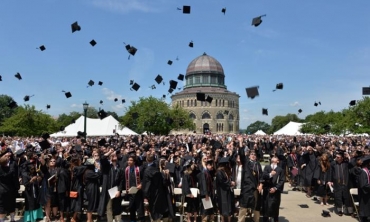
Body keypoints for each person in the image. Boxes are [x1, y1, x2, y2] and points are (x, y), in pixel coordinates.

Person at [97, 149, 124, 222]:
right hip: (108, 190)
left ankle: (118, 220)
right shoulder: (107, 166)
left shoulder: (120, 167)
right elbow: (102, 158)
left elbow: (121, 180)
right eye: (112, 156)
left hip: (116, 190)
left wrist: (119, 190)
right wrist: (109, 152)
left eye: (115, 155)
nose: (113, 156)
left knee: (117, 207)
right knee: (109, 207)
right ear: (110, 158)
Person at [327, 151, 353, 216]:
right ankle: (339, 211)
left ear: (342, 158)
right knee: (338, 197)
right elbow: (330, 172)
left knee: (347, 197)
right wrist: (330, 181)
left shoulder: (346, 163)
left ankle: (349, 210)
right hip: (337, 184)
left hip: (345, 183)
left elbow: (353, 165)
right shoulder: (333, 164)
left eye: (338, 157)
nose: (337, 158)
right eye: (336, 157)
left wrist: (349, 157)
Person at [143, 155, 168, 222]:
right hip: (159, 193)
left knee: (153, 211)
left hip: (152, 194)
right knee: (158, 211)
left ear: (146, 160)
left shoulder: (147, 171)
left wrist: (145, 196)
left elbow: (147, 184)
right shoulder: (158, 170)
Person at [261, 157, 285, 222]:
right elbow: (263, 176)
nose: (274, 161)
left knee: (275, 207)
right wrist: (270, 174)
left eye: (276, 160)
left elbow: (282, 180)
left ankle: (275, 220)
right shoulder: (267, 167)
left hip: (275, 192)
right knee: (266, 207)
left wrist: (275, 188)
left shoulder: (280, 170)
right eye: (273, 160)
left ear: (278, 161)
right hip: (267, 190)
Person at [0, 149, 19, 222]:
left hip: (1, 190)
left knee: (1, 206)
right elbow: (15, 179)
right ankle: (12, 219)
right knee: (11, 204)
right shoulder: (11, 171)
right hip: (10, 189)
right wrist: (17, 187)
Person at [125, 154, 145, 222]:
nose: (129, 161)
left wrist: (141, 184)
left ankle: (141, 220)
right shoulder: (126, 170)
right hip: (130, 192)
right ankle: (132, 220)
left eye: (131, 160)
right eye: (128, 160)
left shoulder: (139, 169)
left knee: (140, 208)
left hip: (138, 191)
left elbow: (144, 179)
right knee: (131, 208)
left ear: (134, 162)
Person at [216, 157, 235, 222]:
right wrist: (230, 183)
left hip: (227, 191)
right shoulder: (219, 172)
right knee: (222, 207)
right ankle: (223, 220)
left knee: (229, 206)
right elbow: (222, 181)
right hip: (222, 192)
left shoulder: (226, 171)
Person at [358, 156, 370, 222]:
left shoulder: (368, 171)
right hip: (364, 193)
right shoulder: (363, 172)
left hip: (367, 193)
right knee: (364, 209)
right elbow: (364, 185)